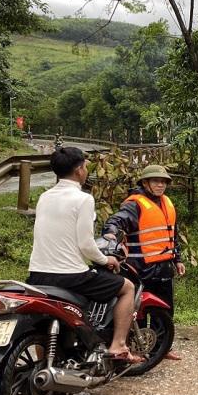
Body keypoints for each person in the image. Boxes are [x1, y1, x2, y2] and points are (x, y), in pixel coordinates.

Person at [27, 147, 143, 363]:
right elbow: (86, 245)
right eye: (86, 167)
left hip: (37, 274)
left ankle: (44, 362)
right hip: (70, 275)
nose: (86, 171)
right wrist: (106, 259)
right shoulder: (83, 199)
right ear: (79, 170)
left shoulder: (44, 197)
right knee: (127, 287)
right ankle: (118, 345)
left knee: (43, 321)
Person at [102, 164, 184, 360]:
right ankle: (132, 346)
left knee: (164, 309)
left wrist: (177, 259)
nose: (160, 185)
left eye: (163, 182)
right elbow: (116, 221)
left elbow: (172, 235)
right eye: (156, 181)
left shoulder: (166, 203)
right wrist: (112, 233)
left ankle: (161, 348)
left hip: (163, 268)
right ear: (145, 183)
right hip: (140, 267)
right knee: (136, 310)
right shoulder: (135, 204)